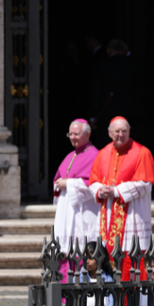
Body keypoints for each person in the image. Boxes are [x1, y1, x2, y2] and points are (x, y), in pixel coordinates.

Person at [87, 116, 154, 281]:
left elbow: (145, 184)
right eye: (117, 131)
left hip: (132, 216)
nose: (120, 134)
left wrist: (117, 191)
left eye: (124, 131)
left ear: (129, 131)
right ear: (109, 133)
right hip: (108, 214)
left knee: (132, 257)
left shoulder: (142, 152)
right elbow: (92, 183)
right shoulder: (103, 153)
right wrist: (100, 190)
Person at [52, 119, 100, 281]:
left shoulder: (95, 155)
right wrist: (59, 185)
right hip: (67, 212)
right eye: (70, 134)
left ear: (87, 134)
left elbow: (95, 185)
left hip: (82, 213)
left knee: (80, 248)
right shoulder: (70, 155)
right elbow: (59, 179)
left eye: (76, 134)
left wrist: (69, 184)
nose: (72, 137)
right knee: (65, 250)